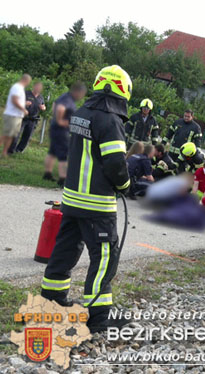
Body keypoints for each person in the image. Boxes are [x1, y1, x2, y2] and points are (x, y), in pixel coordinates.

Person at [40, 65, 133, 333]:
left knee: (65, 252)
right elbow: (115, 163)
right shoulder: (110, 120)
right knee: (104, 258)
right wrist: (125, 185)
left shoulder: (82, 112)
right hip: (97, 205)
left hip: (72, 200)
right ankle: (98, 318)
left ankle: (52, 303)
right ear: (123, 91)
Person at [43, 82, 87, 187]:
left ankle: (47, 173)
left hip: (55, 128)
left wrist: (55, 119)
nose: (81, 97)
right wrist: (61, 121)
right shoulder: (68, 99)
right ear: (77, 92)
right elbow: (60, 108)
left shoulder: (65, 96)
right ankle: (63, 179)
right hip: (61, 130)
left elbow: (54, 104)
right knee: (63, 154)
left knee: (52, 152)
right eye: (82, 94)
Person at [9, 81, 46, 153]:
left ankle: (19, 150)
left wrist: (43, 108)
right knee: (16, 134)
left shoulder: (41, 97)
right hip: (22, 117)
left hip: (33, 119)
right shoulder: (26, 93)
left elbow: (44, 106)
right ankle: (10, 150)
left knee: (27, 136)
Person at [1, 74, 31, 157]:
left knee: (12, 135)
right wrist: (23, 109)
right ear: (26, 80)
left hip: (17, 116)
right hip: (12, 115)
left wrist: (25, 103)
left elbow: (18, 101)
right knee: (6, 134)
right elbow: (14, 100)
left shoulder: (21, 89)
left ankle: (4, 153)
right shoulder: (17, 87)